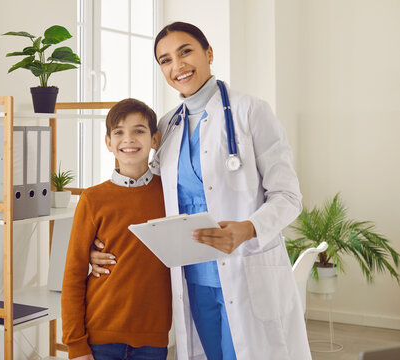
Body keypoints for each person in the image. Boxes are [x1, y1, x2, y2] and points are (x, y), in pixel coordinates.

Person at [89, 22, 312, 360]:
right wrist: (100, 247)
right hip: (193, 279)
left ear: (208, 53)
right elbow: (145, 194)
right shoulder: (167, 125)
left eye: (185, 51)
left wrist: (249, 229)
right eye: (165, 60)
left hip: (246, 268)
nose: (177, 66)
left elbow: (288, 196)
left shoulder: (250, 111)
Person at [61, 98, 172, 360]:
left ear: (154, 139)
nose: (129, 139)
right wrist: (75, 344)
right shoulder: (92, 198)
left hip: (153, 338)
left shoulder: (171, 194)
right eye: (119, 132)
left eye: (139, 130)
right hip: (100, 336)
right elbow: (73, 275)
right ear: (108, 142)